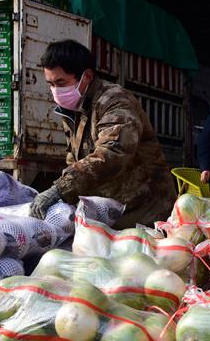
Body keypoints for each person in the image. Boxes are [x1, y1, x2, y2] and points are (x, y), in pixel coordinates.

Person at [29, 40, 177, 229]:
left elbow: (113, 152)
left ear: (87, 76)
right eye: (50, 84)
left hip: (146, 213)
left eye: (61, 83)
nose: (55, 91)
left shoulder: (115, 101)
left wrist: (61, 188)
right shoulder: (74, 109)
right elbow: (74, 159)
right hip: (113, 212)